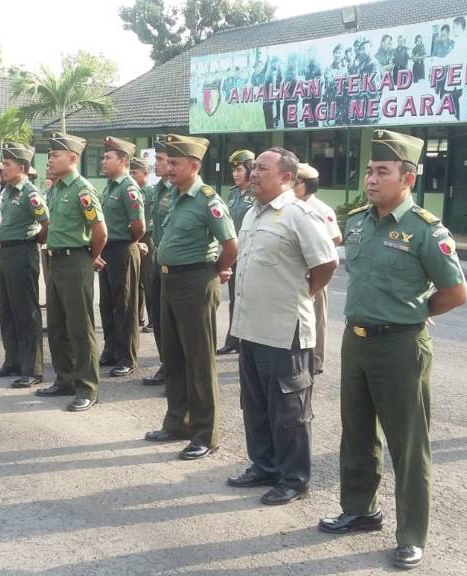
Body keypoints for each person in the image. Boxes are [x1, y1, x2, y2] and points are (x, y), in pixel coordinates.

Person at [318, 129, 467, 571]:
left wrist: (414, 314)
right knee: (358, 432)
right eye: (369, 170)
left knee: (407, 443)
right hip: (356, 339)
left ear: (408, 176)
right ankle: (360, 510)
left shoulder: (425, 229)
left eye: (382, 171)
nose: (370, 178)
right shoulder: (359, 221)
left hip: (401, 345)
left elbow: (455, 292)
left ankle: (411, 535)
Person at [227, 147, 338, 505]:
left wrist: (301, 294)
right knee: (256, 403)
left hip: (285, 329)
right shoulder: (252, 213)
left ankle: (294, 478)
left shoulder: (299, 215)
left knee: (290, 410)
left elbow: (326, 264)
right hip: (250, 327)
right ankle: (264, 465)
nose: (253, 173)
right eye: (253, 168)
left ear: (287, 178)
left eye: (261, 168)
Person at [144, 134, 237, 461]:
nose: (168, 168)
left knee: (198, 360)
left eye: (175, 163)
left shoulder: (207, 200)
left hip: (196, 281)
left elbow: (230, 246)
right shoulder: (172, 195)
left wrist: (214, 271)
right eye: (167, 162)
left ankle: (204, 433)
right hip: (169, 280)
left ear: (194, 166)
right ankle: (176, 422)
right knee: (173, 356)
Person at [35, 132, 107, 413]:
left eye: (56, 155)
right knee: (57, 323)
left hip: (76, 260)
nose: (50, 159)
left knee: (80, 325)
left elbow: (100, 231)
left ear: (73, 158)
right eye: (50, 155)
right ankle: (64, 379)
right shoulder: (56, 188)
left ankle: (87, 387)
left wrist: (91, 257)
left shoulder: (83, 190)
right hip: (54, 261)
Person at [0, 142, 49, 388]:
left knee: (26, 312)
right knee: (7, 309)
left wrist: (35, 240)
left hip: (23, 252)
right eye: (3, 163)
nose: (3, 168)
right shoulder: (8, 191)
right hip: (6, 253)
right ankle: (12, 360)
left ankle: (32, 368)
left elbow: (46, 223)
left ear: (23, 168)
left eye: (7, 164)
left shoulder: (30, 194)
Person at [98, 136, 146, 377]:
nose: (103, 161)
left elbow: (139, 226)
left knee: (124, 306)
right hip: (107, 250)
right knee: (107, 304)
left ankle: (127, 356)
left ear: (123, 160)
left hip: (122, 249)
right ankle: (111, 350)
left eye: (108, 157)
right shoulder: (110, 186)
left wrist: (128, 243)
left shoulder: (128, 188)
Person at [293, 163, 342, 375]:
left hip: (316, 270)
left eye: (295, 182)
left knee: (317, 316)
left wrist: (316, 253)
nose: (291, 186)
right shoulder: (290, 206)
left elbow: (336, 237)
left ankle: (316, 360)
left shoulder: (321, 209)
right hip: (294, 271)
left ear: (306, 185)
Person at [217, 149, 255, 356]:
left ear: (250, 170)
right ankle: (233, 340)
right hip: (235, 254)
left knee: (250, 299)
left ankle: (249, 342)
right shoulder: (232, 193)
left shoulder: (257, 193)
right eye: (234, 171)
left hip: (250, 254)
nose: (236, 174)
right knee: (235, 298)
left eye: (240, 170)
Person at [142, 136, 173, 386]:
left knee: (175, 323)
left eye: (161, 159)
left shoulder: (179, 191)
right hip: (158, 258)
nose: (157, 164)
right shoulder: (157, 190)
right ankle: (166, 363)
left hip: (176, 265)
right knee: (160, 319)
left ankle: (176, 370)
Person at [129, 156, 152, 332]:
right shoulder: (131, 190)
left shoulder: (150, 192)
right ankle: (137, 316)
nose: (131, 175)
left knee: (148, 279)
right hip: (134, 236)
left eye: (134, 172)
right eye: (129, 172)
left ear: (145, 173)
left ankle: (153, 319)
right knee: (136, 280)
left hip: (148, 236)